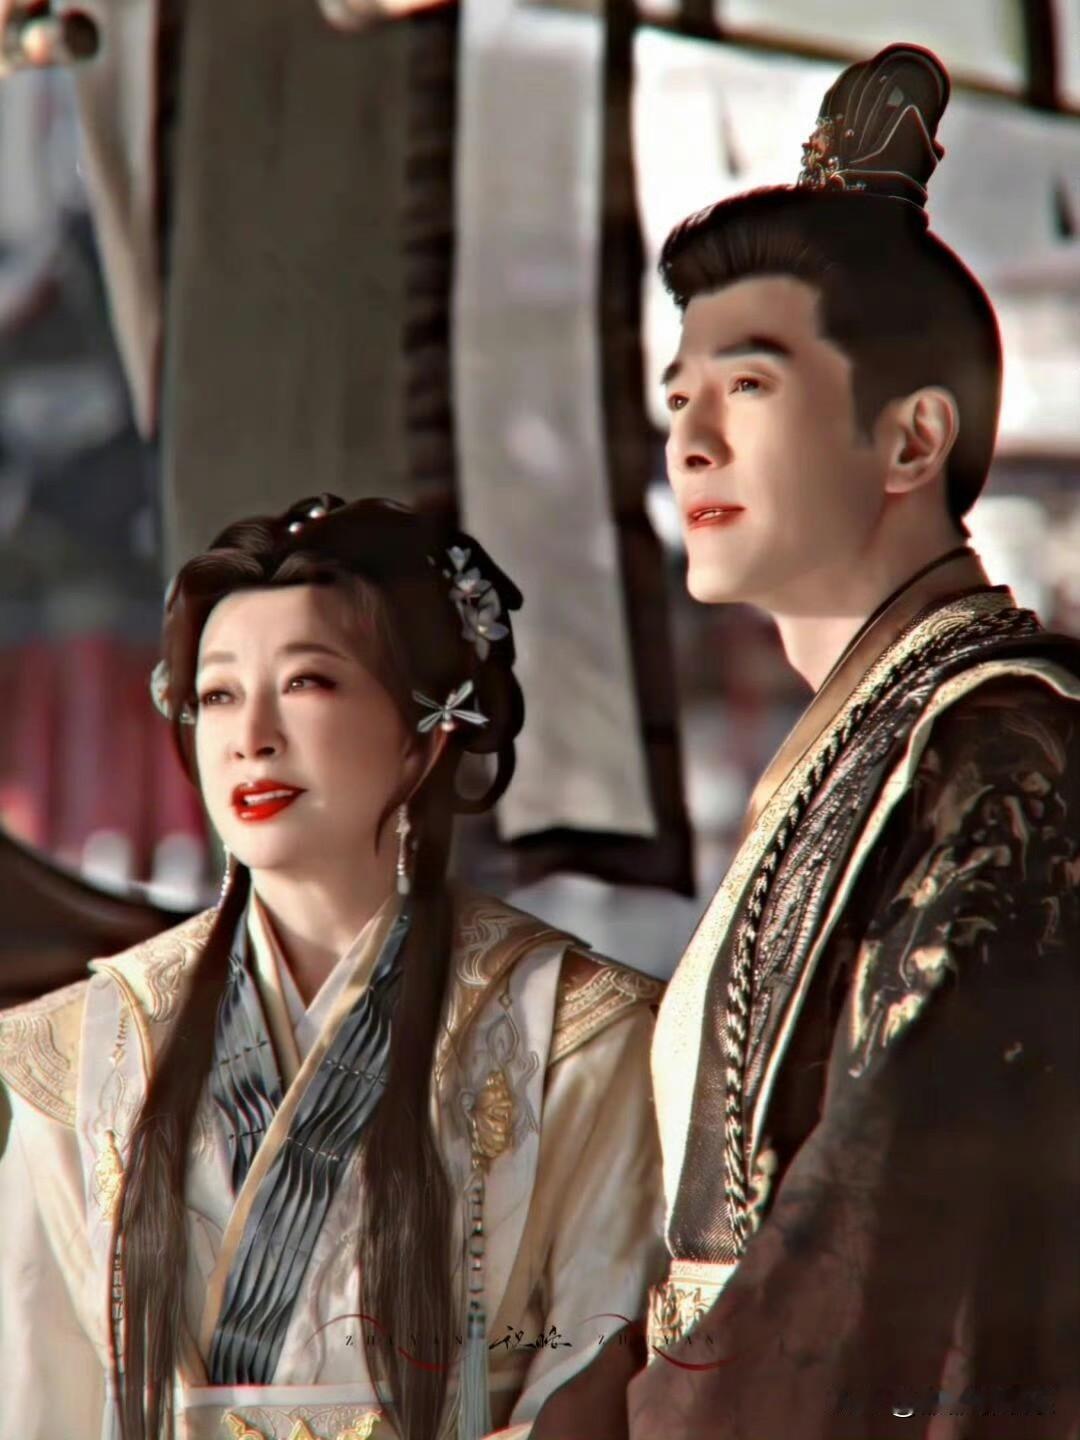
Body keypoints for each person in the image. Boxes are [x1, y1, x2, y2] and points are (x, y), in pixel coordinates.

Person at [546, 43, 1080, 1439]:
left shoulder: (1001, 751)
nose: (691, 441)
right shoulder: (877, 732)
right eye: (679, 397)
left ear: (911, 441)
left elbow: (880, 1218)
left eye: (749, 387)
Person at [0, 493, 666, 1440]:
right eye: (218, 695)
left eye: (307, 682)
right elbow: (35, 1397)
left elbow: (590, 1378)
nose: (251, 735)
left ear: (427, 731)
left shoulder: (573, 1031)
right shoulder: (80, 1046)